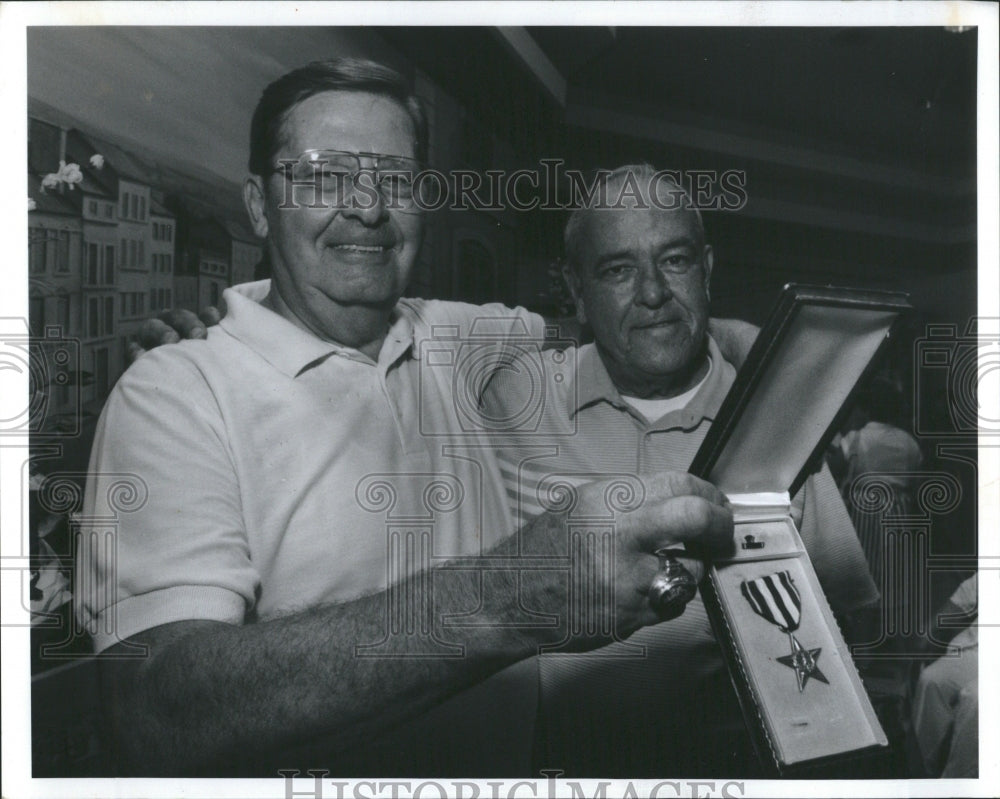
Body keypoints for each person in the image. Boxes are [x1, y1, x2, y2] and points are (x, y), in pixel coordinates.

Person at [78, 59, 738, 776]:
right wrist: (508, 595)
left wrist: (749, 342)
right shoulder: (176, 393)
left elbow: (624, 320)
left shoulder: (457, 337)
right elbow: (156, 713)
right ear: (260, 204)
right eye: (324, 174)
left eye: (395, 178)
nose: (367, 205)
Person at [480, 165, 881, 774]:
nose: (651, 293)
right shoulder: (514, 402)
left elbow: (849, 628)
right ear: (575, 288)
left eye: (674, 261)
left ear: (708, 269)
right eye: (617, 269)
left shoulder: (778, 417)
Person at [911, 572, 978, 778]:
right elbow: (964, 597)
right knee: (932, 681)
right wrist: (929, 633)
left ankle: (957, 782)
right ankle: (920, 771)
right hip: (978, 651)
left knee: (976, 700)